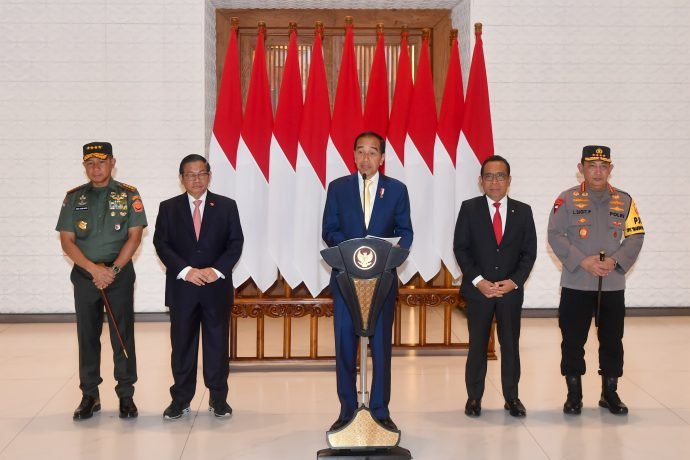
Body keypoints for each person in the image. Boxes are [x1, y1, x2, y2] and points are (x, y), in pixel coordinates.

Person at [322, 131, 413, 431]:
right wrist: (354, 250)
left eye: (372, 152)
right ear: (353, 156)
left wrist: (381, 253)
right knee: (345, 346)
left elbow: (406, 232)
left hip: (382, 282)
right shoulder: (338, 188)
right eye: (360, 151)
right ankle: (347, 409)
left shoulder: (397, 190)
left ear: (382, 158)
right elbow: (329, 229)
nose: (366, 158)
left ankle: (380, 410)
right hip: (347, 279)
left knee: (382, 347)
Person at [548, 145, 644, 415]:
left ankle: (609, 392)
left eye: (604, 166)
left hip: (612, 284)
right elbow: (555, 234)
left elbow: (636, 235)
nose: (598, 171)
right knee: (572, 339)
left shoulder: (624, 201)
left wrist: (616, 261)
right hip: (577, 282)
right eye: (592, 166)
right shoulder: (566, 200)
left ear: (611, 169)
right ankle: (574, 394)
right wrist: (582, 260)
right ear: (581, 169)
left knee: (613, 339)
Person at [56, 142, 147, 420]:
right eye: (90, 163)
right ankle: (90, 395)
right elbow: (67, 241)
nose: (95, 168)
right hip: (86, 277)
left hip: (118, 276)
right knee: (87, 336)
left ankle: (126, 395)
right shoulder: (73, 198)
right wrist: (93, 270)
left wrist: (113, 270)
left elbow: (134, 236)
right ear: (84, 166)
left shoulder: (129, 194)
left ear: (112, 162)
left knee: (122, 335)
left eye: (101, 162)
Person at [153, 154, 244, 419]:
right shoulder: (168, 207)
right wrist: (186, 271)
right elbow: (162, 244)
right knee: (182, 347)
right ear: (181, 178)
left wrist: (215, 271)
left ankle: (218, 398)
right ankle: (180, 399)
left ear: (209, 175)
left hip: (216, 289)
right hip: (183, 288)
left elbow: (235, 243)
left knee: (216, 346)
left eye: (201, 173)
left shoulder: (226, 206)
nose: (196, 179)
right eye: (190, 174)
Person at [453, 155, 537, 418]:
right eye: (489, 176)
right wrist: (479, 282)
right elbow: (461, 248)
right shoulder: (469, 209)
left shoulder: (523, 211)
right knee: (477, 345)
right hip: (479, 292)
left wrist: (513, 282)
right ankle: (474, 398)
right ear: (481, 181)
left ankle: (512, 398)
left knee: (510, 345)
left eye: (500, 176)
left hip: (510, 292)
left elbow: (529, 252)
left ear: (509, 180)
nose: (495, 181)